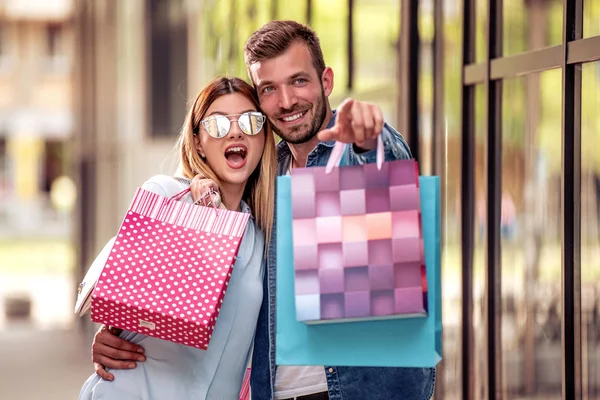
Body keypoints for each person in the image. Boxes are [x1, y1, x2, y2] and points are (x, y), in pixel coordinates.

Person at [90, 20, 436, 400]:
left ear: (327, 82)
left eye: (299, 81)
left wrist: (370, 135)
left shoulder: (353, 154)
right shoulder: (264, 189)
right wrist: (114, 334)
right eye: (269, 89)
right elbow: (156, 296)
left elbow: (390, 169)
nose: (286, 101)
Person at [78, 76, 277, 399]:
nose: (236, 131)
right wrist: (106, 335)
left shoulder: (261, 236)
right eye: (217, 124)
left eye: (250, 121)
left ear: (264, 137)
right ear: (197, 141)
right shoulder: (165, 197)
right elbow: (125, 297)